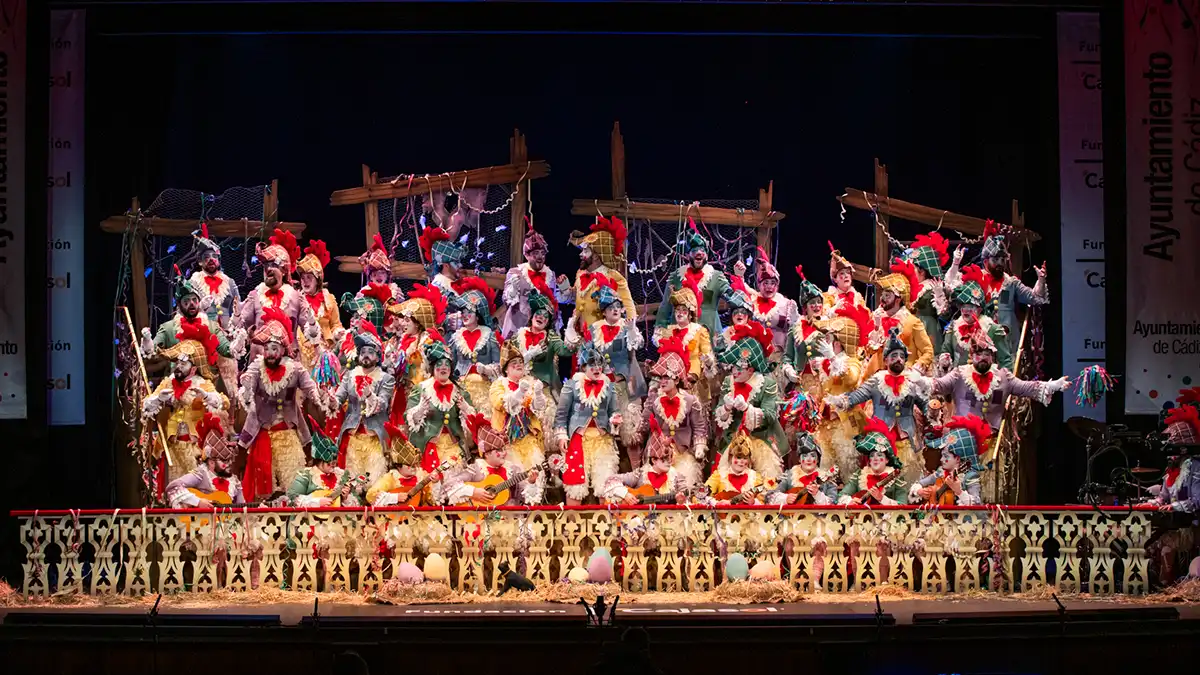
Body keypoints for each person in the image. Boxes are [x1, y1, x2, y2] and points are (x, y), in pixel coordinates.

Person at [238, 307, 334, 501]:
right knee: (264, 492)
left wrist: (319, 397)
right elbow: (247, 397)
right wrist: (247, 388)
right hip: (262, 432)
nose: (270, 353)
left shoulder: (295, 369)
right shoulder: (257, 367)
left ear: (283, 349)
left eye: (274, 348)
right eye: (266, 349)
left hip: (289, 433)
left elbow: (310, 388)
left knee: (293, 483)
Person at [829, 329, 930, 484]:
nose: (898, 360)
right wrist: (841, 401)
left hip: (908, 438)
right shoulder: (876, 380)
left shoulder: (913, 380)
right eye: (894, 356)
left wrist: (933, 414)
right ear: (886, 361)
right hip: (881, 441)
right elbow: (857, 395)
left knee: (909, 479)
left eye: (902, 357)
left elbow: (925, 405)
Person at [930, 330, 1070, 432]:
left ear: (992, 357)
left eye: (987, 354)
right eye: (979, 354)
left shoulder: (1003, 377)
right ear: (972, 356)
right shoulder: (959, 374)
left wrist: (1053, 385)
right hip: (963, 439)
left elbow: (1027, 387)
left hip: (992, 438)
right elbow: (938, 385)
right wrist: (919, 381)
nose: (983, 358)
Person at [565, 281, 646, 450]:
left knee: (631, 431)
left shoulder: (626, 327)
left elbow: (637, 344)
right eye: (611, 308)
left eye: (618, 307)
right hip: (604, 386)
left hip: (626, 384)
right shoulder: (595, 329)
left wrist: (631, 331)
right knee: (605, 428)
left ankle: (636, 469)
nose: (615, 310)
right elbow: (585, 355)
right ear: (604, 312)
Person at [142, 339, 228, 484]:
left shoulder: (201, 383)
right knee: (172, 491)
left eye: (183, 364)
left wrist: (206, 396)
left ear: (193, 368)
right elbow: (146, 406)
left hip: (194, 447)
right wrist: (158, 399)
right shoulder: (168, 382)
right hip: (171, 445)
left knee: (194, 489)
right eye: (178, 363)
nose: (179, 366)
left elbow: (223, 402)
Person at [712, 321, 787, 480]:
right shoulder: (728, 383)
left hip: (759, 439)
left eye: (739, 368)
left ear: (751, 369)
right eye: (733, 367)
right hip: (733, 441)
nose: (734, 371)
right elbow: (718, 414)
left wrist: (748, 409)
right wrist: (725, 407)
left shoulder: (766, 384)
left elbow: (771, 415)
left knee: (767, 480)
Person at [634, 335, 708, 488]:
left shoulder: (690, 400)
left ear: (676, 379)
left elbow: (700, 427)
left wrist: (700, 446)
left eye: (667, 377)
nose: (662, 381)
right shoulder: (654, 399)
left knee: (684, 486)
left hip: (682, 453)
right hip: (658, 454)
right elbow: (644, 425)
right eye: (660, 378)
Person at [654, 219, 741, 349]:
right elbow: (665, 307)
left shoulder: (716, 277)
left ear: (706, 255)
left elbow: (734, 299)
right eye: (695, 250)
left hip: (709, 335)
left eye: (702, 250)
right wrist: (660, 330)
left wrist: (740, 278)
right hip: (680, 337)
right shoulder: (676, 277)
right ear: (688, 254)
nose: (699, 253)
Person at [554, 342, 622, 504]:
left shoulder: (609, 386)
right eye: (592, 365)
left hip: (602, 440)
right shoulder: (572, 385)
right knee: (575, 485)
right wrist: (562, 436)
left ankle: (608, 526)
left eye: (599, 364)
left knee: (605, 484)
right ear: (583, 367)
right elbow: (561, 414)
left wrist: (615, 420)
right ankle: (571, 524)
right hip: (578, 440)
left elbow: (614, 411)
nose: (597, 368)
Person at [812, 303, 873, 478]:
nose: (827, 342)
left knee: (847, 464)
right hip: (825, 422)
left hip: (846, 423)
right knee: (825, 465)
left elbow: (852, 378)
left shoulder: (851, 361)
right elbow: (823, 391)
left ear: (840, 342)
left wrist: (832, 359)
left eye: (831, 338)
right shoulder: (826, 364)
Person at [333, 320, 396, 484]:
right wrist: (328, 398)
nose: (366, 355)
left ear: (378, 357)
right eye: (363, 352)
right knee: (352, 484)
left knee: (374, 484)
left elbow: (382, 403)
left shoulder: (386, 379)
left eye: (370, 351)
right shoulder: (350, 375)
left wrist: (369, 395)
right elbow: (338, 398)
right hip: (352, 436)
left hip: (376, 437)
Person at [188, 223, 245, 400]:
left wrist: (236, 322)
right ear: (200, 261)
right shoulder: (194, 281)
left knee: (230, 386)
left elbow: (238, 310)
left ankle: (229, 422)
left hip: (226, 338)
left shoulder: (229, 282)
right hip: (203, 339)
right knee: (204, 384)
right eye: (206, 257)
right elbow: (183, 311)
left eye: (214, 256)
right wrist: (199, 310)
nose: (211, 260)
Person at [239, 228, 315, 361]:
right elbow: (242, 327)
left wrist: (312, 324)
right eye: (266, 265)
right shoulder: (255, 295)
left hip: (289, 365)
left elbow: (311, 334)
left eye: (273, 264)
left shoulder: (296, 298)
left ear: (284, 270)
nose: (268, 269)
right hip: (259, 365)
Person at [977, 220, 1049, 354]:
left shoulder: (1011, 282)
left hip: (1007, 336)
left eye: (1002, 260)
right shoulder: (975, 279)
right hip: (982, 335)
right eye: (995, 260)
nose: (1000, 263)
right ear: (985, 261)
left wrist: (1041, 279)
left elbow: (1036, 297)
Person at [443, 414, 545, 506]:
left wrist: (531, 483)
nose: (504, 453)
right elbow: (449, 485)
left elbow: (529, 501)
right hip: (480, 520)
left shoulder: (513, 470)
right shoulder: (476, 469)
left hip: (508, 520)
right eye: (498, 450)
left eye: (504, 449)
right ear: (487, 454)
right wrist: (473, 492)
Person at [406, 340, 476, 473]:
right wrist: (420, 410)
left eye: (447, 364)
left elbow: (473, 420)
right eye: (439, 364)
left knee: (454, 479)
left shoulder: (460, 390)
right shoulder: (421, 389)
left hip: (454, 446)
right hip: (428, 445)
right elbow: (408, 418)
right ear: (432, 368)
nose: (443, 367)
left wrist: (466, 408)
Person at [142, 268, 235, 366]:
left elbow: (227, 350)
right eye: (186, 301)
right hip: (178, 377)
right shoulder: (168, 328)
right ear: (179, 305)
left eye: (194, 300)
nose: (191, 304)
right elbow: (152, 353)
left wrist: (239, 342)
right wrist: (147, 341)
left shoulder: (211, 326)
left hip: (206, 378)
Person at [385, 284, 448, 427]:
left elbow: (424, 364)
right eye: (403, 320)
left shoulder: (426, 341)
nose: (403, 323)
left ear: (418, 323)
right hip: (400, 388)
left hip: (418, 389)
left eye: (407, 320)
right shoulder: (398, 340)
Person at [863, 259, 934, 378]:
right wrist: (876, 327)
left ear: (898, 299)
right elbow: (870, 350)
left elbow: (928, 351)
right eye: (883, 294)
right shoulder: (878, 318)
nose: (882, 298)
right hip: (878, 377)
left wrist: (915, 370)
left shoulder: (912, 322)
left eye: (887, 295)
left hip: (904, 377)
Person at [562, 215, 637, 327]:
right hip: (580, 333)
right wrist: (564, 287)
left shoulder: (613, 276)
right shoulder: (581, 273)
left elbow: (628, 305)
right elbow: (578, 298)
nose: (581, 254)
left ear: (596, 256)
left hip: (602, 336)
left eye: (586, 251)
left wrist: (631, 331)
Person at [938, 266, 1014, 373]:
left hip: (986, 383)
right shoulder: (953, 328)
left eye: (970, 307)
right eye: (963, 306)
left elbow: (1005, 361)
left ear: (979, 309)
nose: (965, 310)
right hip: (958, 383)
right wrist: (944, 358)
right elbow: (946, 351)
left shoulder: (993, 330)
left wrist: (1005, 384)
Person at [489, 341, 550, 472]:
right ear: (506, 369)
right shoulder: (498, 384)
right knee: (515, 476)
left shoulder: (530, 383)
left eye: (520, 362)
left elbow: (538, 408)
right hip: (507, 441)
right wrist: (519, 393)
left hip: (529, 437)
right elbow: (501, 403)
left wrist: (538, 394)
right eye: (513, 363)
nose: (518, 365)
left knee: (536, 473)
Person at [501, 223, 571, 338]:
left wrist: (564, 289)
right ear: (527, 255)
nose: (540, 257)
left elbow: (553, 301)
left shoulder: (550, 275)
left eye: (543, 253)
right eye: (535, 253)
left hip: (541, 330)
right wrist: (512, 290)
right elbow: (507, 300)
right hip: (518, 329)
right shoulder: (516, 273)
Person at [652, 279, 715, 404]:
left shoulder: (699, 331)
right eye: (677, 310)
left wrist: (708, 361)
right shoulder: (668, 331)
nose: (680, 313)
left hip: (692, 378)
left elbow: (707, 354)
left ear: (690, 314)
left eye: (683, 310)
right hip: (671, 378)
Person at [731, 246, 798, 361]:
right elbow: (741, 289)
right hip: (756, 356)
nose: (769, 287)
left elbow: (796, 331)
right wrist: (740, 275)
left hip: (779, 358)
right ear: (759, 284)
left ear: (777, 285)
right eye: (765, 283)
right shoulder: (753, 300)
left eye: (773, 283)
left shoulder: (787, 304)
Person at [165, 412, 244, 508]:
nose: (228, 464)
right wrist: (197, 502)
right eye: (224, 461)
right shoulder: (201, 474)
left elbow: (243, 510)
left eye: (229, 461)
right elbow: (173, 487)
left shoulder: (235, 482)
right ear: (211, 462)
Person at [448, 276, 501, 417]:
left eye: (469, 312)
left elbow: (499, 365)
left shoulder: (489, 336)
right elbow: (450, 363)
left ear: (478, 315)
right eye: (463, 312)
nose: (465, 315)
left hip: (484, 389)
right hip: (461, 389)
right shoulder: (455, 337)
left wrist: (485, 369)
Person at [511, 291, 575, 406]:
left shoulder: (550, 337)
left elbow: (566, 351)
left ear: (548, 323)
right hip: (519, 388)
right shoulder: (518, 336)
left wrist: (570, 330)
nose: (541, 316)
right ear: (532, 316)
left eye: (546, 316)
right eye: (539, 313)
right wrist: (529, 354)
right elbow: (509, 360)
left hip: (542, 390)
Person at [910, 415, 989, 506]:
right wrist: (919, 491)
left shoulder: (970, 477)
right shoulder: (941, 473)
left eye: (945, 456)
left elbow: (977, 504)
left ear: (958, 458)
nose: (941, 459)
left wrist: (959, 492)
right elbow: (920, 484)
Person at [295, 238, 344, 377]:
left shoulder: (329, 299)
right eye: (302, 277)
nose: (305, 281)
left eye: (309, 277)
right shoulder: (296, 299)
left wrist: (337, 333)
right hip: (302, 352)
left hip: (324, 354)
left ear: (318, 279)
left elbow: (335, 324)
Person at [287, 421, 365, 507]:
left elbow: (358, 503)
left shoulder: (342, 476)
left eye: (335, 463)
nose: (333, 466)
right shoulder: (306, 475)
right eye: (329, 463)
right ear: (319, 461)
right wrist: (317, 502)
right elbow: (292, 499)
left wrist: (345, 498)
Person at [602, 431, 692, 505]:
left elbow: (688, 502)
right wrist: (625, 494)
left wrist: (681, 501)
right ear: (654, 460)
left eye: (670, 457)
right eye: (664, 459)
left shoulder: (677, 477)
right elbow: (610, 480)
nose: (669, 461)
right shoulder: (640, 474)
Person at [905, 232, 958, 353]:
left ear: (922, 270)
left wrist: (939, 296)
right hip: (913, 329)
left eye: (913, 267)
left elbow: (945, 315)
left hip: (928, 330)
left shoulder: (932, 287)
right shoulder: (913, 287)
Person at [365, 421, 442, 507]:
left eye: (416, 464)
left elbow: (433, 500)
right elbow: (370, 496)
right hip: (395, 518)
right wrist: (395, 498)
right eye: (409, 465)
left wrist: (436, 483)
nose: (414, 468)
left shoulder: (422, 476)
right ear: (398, 466)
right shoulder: (390, 478)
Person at [838, 418, 909, 505]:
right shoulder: (860, 475)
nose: (875, 458)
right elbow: (841, 495)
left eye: (879, 455)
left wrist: (882, 499)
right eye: (872, 456)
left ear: (887, 460)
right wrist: (850, 501)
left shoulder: (896, 478)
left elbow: (903, 505)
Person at [1146, 404, 1200, 513]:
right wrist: (1153, 503)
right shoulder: (1173, 469)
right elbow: (1164, 497)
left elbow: (1197, 500)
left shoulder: (1196, 467)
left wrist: (1175, 506)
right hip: (1178, 524)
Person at [767, 432, 837, 506]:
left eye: (813, 455)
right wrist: (785, 498)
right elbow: (769, 497)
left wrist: (818, 495)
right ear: (799, 460)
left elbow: (834, 503)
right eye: (804, 456)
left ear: (818, 459)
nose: (808, 459)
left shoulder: (826, 479)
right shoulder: (789, 476)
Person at [704, 432, 767, 505]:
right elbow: (702, 495)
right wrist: (716, 503)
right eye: (738, 457)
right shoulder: (719, 475)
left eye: (745, 458)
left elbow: (764, 501)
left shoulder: (755, 477)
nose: (741, 462)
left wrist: (753, 502)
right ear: (730, 457)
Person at [823, 245, 868, 316]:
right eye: (842, 273)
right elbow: (823, 315)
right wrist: (834, 309)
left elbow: (867, 317)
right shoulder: (829, 297)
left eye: (848, 273)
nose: (846, 276)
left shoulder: (858, 297)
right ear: (835, 279)